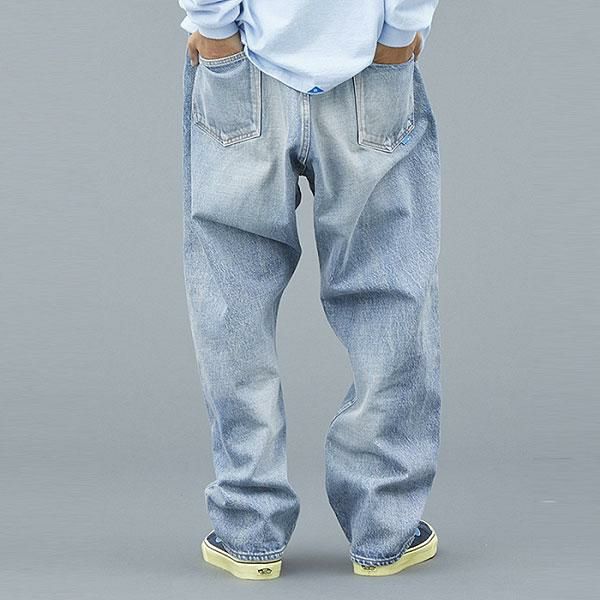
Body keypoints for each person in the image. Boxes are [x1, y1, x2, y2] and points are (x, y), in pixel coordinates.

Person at [180, 0, 441, 580]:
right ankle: (384, 530)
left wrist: (215, 28)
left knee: (231, 305)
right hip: (370, 67)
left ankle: (248, 531)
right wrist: (399, 32)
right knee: (390, 294)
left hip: (243, 69)